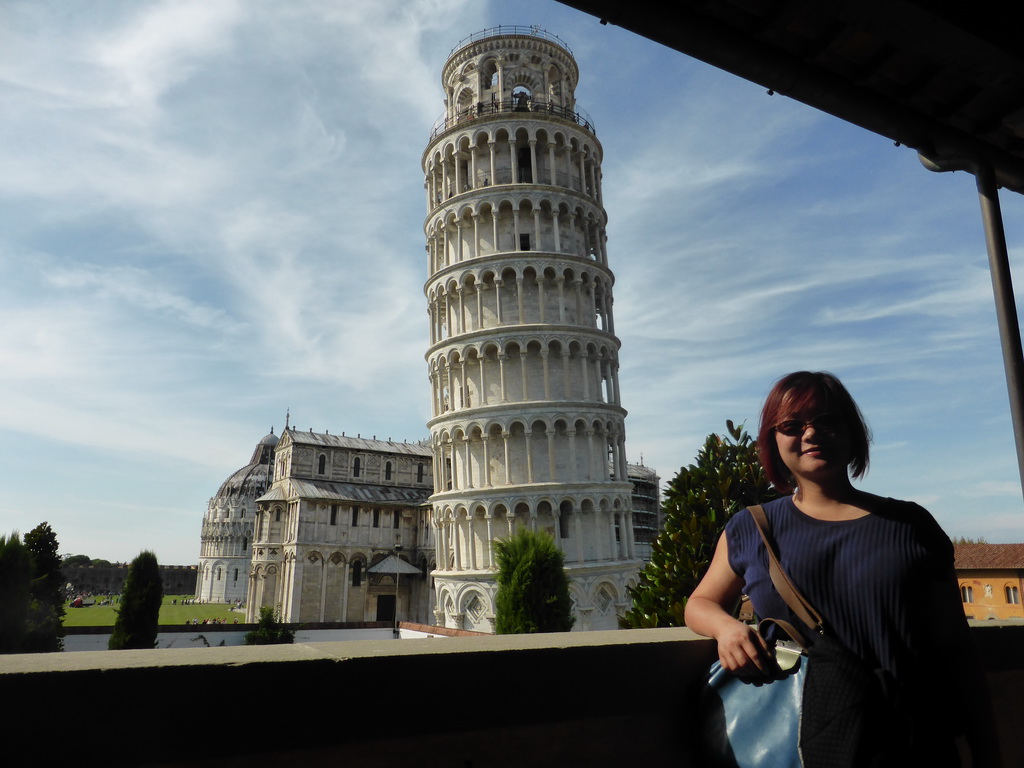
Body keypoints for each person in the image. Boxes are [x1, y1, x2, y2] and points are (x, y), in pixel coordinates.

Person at [685, 371, 997, 767]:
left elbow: (957, 647)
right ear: (773, 440)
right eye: (792, 425)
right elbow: (700, 603)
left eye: (826, 420)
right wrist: (726, 628)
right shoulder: (753, 528)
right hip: (811, 747)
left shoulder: (912, 526)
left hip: (915, 747)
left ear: (852, 432)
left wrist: (988, 750)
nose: (811, 434)